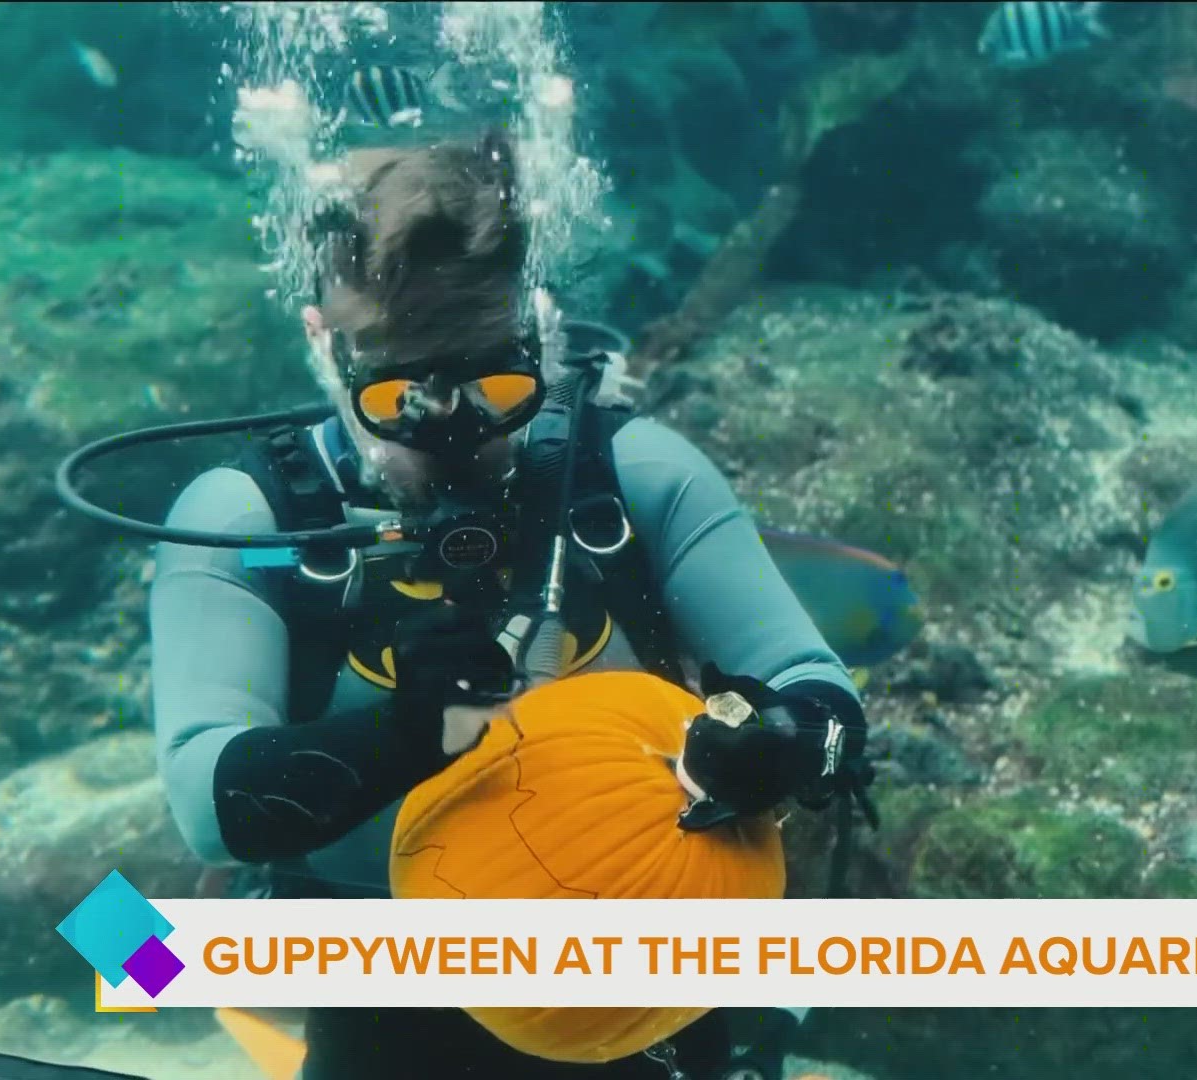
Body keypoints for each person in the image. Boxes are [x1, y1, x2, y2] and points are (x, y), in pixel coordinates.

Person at [148, 129, 870, 1080]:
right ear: (325, 345)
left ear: (541, 329)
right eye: (403, 398)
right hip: (381, 988)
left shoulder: (636, 480)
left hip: (641, 972)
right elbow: (203, 803)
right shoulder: (247, 520)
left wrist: (784, 738)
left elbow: (815, 683)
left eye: (496, 385)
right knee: (129, 937)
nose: (457, 435)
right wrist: (407, 735)